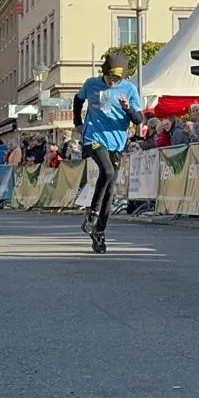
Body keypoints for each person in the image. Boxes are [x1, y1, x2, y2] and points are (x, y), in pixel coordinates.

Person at [74, 50, 144, 253]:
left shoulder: (129, 88)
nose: (113, 82)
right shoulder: (91, 84)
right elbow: (78, 100)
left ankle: (99, 231)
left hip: (117, 142)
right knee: (108, 171)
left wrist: (128, 107)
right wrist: (78, 122)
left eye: (117, 79)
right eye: (110, 77)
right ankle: (92, 212)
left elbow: (138, 119)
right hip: (93, 137)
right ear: (104, 73)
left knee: (111, 189)